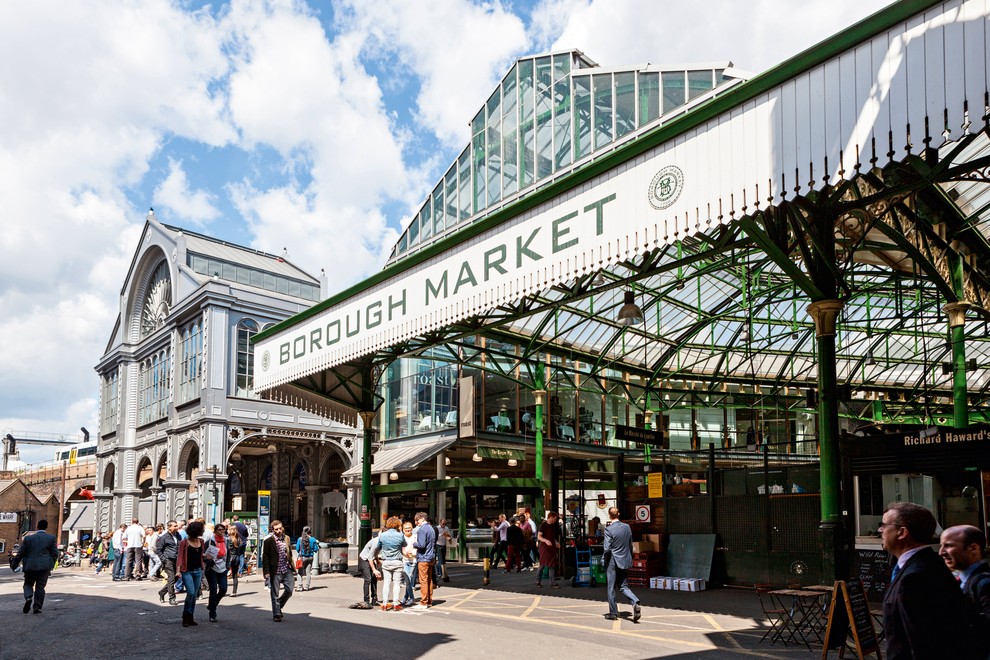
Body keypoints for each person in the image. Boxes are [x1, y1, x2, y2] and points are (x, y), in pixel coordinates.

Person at [880, 502, 977, 659]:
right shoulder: (930, 563)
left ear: (902, 532)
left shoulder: (914, 579)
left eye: (883, 525)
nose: (880, 530)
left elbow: (923, 644)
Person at [940, 524, 990, 642]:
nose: (941, 552)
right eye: (942, 546)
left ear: (973, 548)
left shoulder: (984, 584)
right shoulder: (958, 581)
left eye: (948, 545)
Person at [602, 507, 641, 622]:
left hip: (613, 561)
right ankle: (635, 601)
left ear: (609, 516)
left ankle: (613, 613)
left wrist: (604, 560)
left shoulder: (608, 530)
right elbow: (630, 544)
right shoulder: (627, 527)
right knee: (623, 586)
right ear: (618, 514)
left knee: (611, 588)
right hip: (624, 559)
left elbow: (606, 548)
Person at [13, 520, 58, 614]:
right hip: (44, 567)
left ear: (37, 526)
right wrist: (51, 564)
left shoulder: (28, 539)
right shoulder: (51, 538)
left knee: (28, 584)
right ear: (46, 527)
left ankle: (28, 597)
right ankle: (37, 607)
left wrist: (14, 564)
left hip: (30, 566)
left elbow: (20, 553)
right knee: (40, 587)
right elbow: (54, 553)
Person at [262, 519, 296, 622]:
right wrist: (266, 572)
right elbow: (265, 557)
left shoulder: (287, 538)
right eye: (276, 529)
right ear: (273, 530)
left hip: (286, 569)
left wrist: (292, 566)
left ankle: (278, 606)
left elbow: (289, 553)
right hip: (275, 570)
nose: (279, 531)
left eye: (280, 528)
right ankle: (276, 613)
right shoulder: (268, 541)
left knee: (289, 590)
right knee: (274, 593)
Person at [176, 520, 205, 627]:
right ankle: (186, 615)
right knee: (191, 593)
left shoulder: (201, 541)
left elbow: (202, 555)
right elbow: (179, 557)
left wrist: (208, 556)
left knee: (194, 595)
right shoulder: (184, 542)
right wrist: (178, 571)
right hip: (186, 570)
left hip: (198, 570)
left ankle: (190, 616)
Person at [377, 516, 405, 611]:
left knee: (386, 583)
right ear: (397, 525)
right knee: (396, 583)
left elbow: (379, 546)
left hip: (386, 561)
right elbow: (404, 544)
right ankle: (395, 604)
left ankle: (384, 604)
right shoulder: (400, 535)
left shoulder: (383, 535)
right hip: (397, 561)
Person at [203, 522, 228, 623]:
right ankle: (212, 613)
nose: (222, 532)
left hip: (222, 568)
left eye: (223, 530)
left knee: (223, 589)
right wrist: (210, 561)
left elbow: (228, 554)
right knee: (213, 590)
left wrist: (228, 565)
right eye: (219, 530)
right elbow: (204, 556)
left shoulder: (226, 540)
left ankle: (212, 605)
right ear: (215, 531)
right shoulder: (209, 541)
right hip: (212, 568)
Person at [412, 512, 436, 609]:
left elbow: (421, 545)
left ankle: (423, 602)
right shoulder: (431, 528)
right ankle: (429, 600)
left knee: (423, 580)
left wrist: (414, 543)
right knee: (429, 580)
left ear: (422, 519)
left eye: (417, 520)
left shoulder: (422, 529)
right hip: (431, 557)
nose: (417, 523)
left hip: (423, 557)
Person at [156, 520, 181, 605]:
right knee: (171, 578)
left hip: (177, 560)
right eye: (175, 526)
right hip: (168, 560)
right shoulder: (164, 537)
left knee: (176, 577)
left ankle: (162, 592)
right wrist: (164, 559)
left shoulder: (178, 535)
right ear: (169, 527)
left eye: (177, 526)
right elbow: (158, 550)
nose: (177, 527)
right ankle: (172, 598)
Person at [537, 512, 561, 588]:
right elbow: (539, 537)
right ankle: (538, 581)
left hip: (552, 547)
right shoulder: (543, 525)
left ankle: (552, 582)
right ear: (551, 517)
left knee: (552, 565)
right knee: (542, 565)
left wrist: (556, 542)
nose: (555, 520)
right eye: (555, 518)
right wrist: (546, 541)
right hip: (544, 548)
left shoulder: (553, 526)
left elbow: (552, 537)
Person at [357, 533, 381, 608]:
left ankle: (374, 599)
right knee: (368, 579)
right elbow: (370, 557)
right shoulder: (376, 542)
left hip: (370, 558)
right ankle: (366, 601)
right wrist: (374, 570)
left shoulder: (383, 541)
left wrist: (377, 561)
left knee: (374, 579)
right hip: (364, 559)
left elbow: (374, 553)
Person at [401, 520, 418, 606]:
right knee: (408, 580)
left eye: (409, 528)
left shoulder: (415, 537)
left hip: (413, 560)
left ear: (412, 529)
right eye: (406, 528)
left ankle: (408, 598)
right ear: (403, 529)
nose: (408, 530)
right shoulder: (401, 537)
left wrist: (413, 553)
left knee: (409, 580)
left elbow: (417, 547)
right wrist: (405, 553)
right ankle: (410, 598)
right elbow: (400, 548)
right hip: (405, 560)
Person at [295, 526, 317, 591]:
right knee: (308, 572)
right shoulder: (313, 539)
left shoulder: (300, 539)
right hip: (310, 557)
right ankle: (307, 587)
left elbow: (297, 549)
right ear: (310, 532)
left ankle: (300, 586)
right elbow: (316, 549)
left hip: (302, 557)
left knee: (300, 572)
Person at [227, 526, 244, 597]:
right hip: (237, 557)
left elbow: (227, 549)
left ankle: (223, 589)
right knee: (235, 575)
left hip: (230, 557)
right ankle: (234, 592)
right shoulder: (239, 539)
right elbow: (241, 549)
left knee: (224, 574)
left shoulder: (228, 539)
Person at [435, 518, 453, 583]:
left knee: (443, 559)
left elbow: (450, 535)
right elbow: (435, 536)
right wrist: (441, 535)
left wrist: (448, 536)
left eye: (445, 524)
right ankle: (442, 573)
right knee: (441, 560)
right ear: (440, 523)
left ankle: (441, 572)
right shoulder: (437, 528)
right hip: (438, 544)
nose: (444, 525)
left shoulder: (446, 528)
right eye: (443, 524)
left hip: (444, 545)